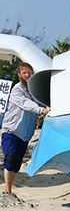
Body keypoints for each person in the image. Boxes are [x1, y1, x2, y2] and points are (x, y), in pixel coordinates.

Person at [1, 62, 50, 194]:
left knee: (16, 164)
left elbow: (41, 100)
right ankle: (8, 189)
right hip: (11, 131)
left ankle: (8, 188)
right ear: (19, 75)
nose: (27, 75)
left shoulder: (33, 91)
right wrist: (41, 110)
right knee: (10, 159)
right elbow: (25, 104)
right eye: (24, 73)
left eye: (29, 72)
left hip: (25, 134)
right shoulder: (17, 90)